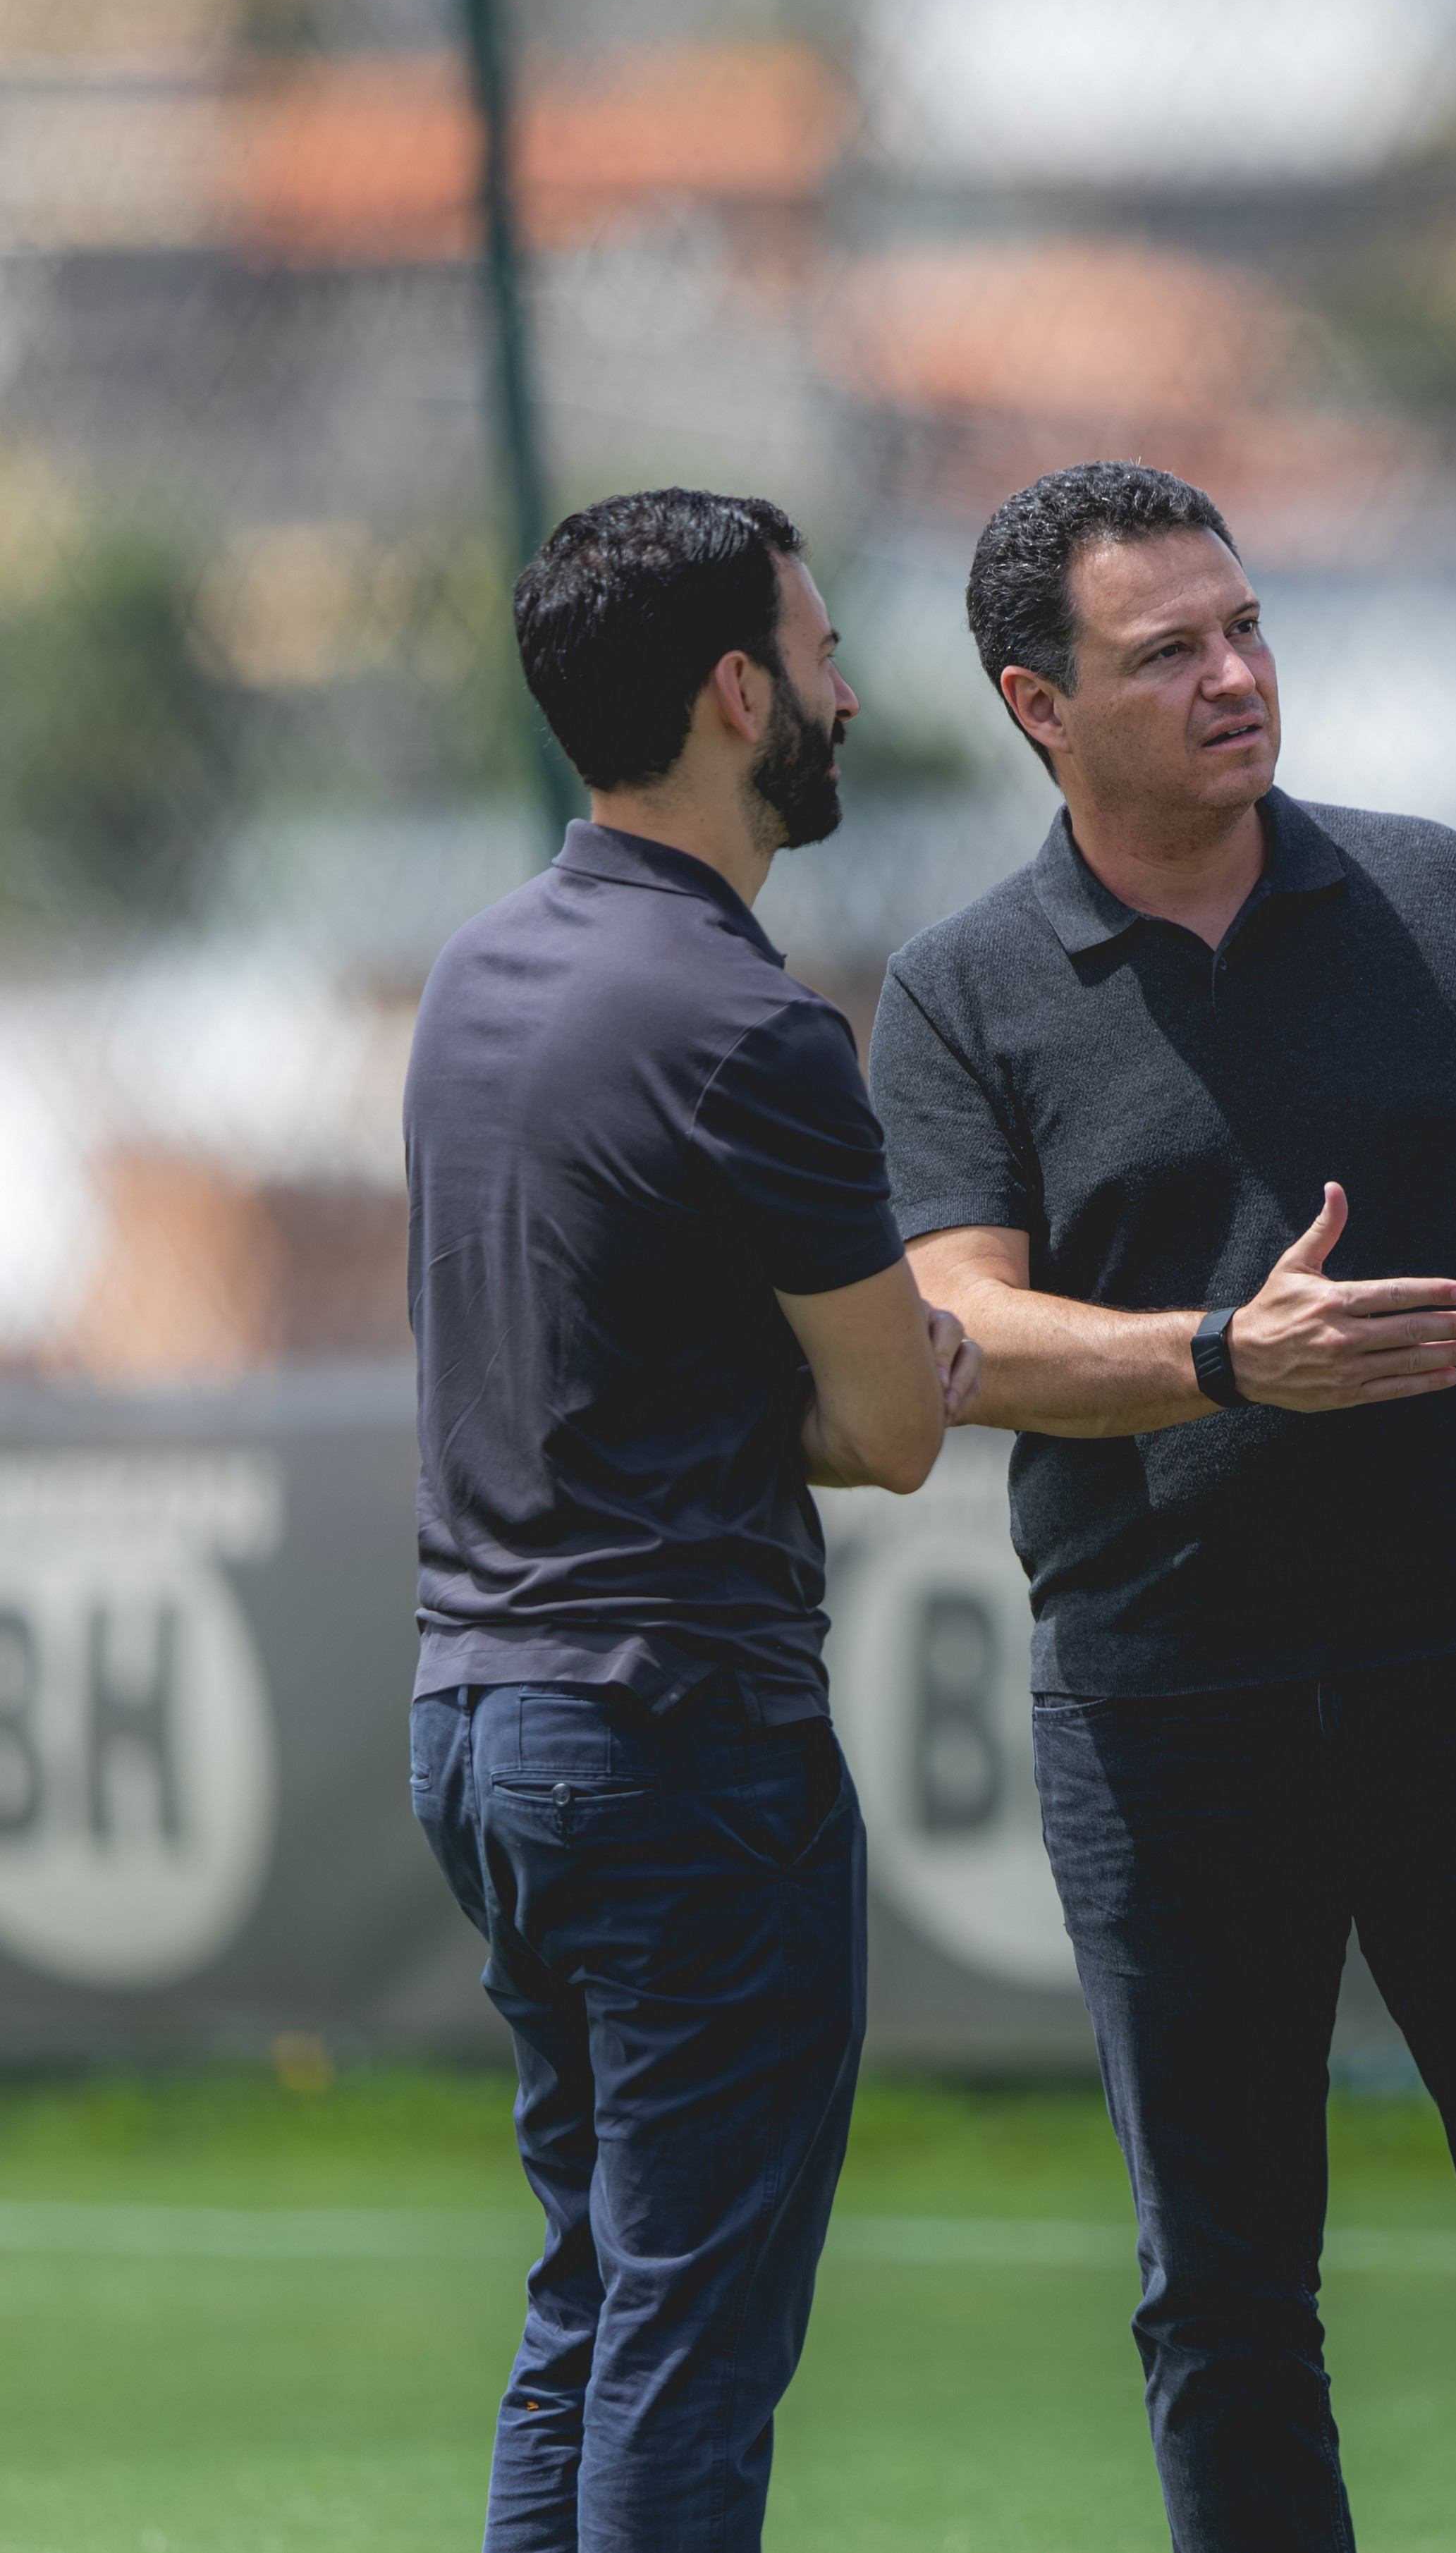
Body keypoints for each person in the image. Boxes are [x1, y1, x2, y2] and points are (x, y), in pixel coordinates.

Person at [867, 459, 1456, 2553]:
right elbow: (953, 1328)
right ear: (1034, 705)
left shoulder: (1435, 898)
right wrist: (1228, 1356)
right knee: (1227, 2298)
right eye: (1168, 653)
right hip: (1167, 1714)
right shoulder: (961, 994)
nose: (1237, 677)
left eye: (1246, 628)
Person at [404, 488, 978, 2553]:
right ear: (741, 695)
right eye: (818, 652)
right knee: (688, 2345)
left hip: (475, 1729)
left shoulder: (474, 978)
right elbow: (898, 1430)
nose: (842, 688)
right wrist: (886, 1369)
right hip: (675, 1740)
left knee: (592, 2303)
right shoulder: (750, 1028)